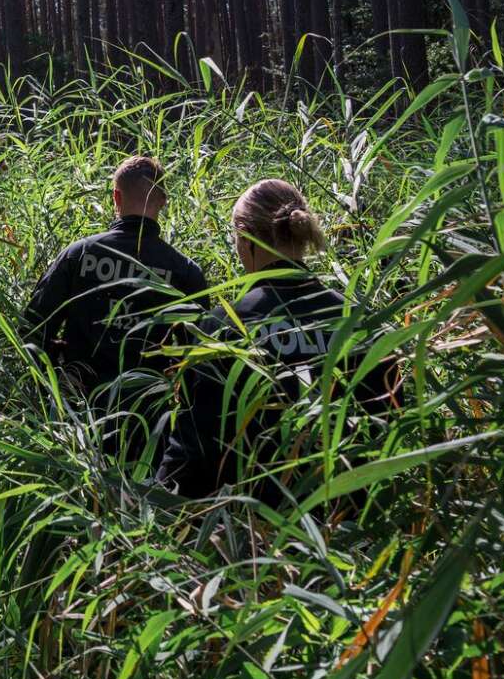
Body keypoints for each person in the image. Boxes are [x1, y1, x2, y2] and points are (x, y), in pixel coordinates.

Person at [162, 178, 395, 499]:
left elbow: (194, 444)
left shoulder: (221, 328)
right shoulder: (359, 322)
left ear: (245, 239)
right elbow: (388, 425)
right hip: (349, 515)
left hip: (250, 521)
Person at [24, 155, 210, 397]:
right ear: (163, 201)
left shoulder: (79, 254)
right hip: (149, 410)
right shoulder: (183, 270)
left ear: (116, 197)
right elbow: (200, 353)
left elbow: (34, 328)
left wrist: (52, 387)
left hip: (80, 405)